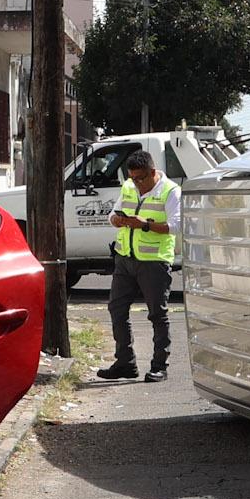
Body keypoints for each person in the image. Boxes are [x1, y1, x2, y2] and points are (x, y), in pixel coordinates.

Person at [94, 151, 176, 383]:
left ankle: (160, 366)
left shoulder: (170, 191)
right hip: (124, 258)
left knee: (157, 314)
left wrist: (145, 226)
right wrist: (117, 220)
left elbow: (177, 226)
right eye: (132, 178)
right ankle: (125, 363)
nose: (136, 183)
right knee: (116, 309)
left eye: (141, 178)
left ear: (152, 173)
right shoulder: (129, 187)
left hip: (154, 262)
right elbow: (112, 214)